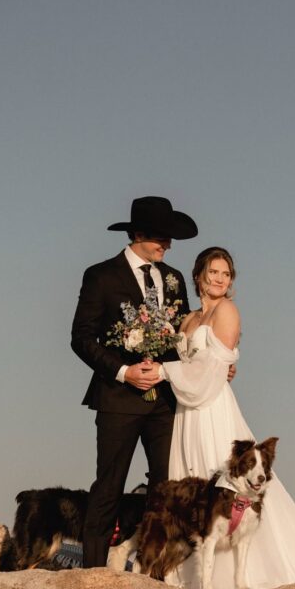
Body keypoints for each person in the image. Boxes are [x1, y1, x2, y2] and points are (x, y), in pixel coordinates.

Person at [159, 246, 295, 589]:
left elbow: (212, 369)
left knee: (227, 487)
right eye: (214, 271)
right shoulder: (187, 320)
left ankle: (237, 577)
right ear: (199, 274)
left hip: (211, 405)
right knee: (192, 487)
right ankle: (193, 575)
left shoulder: (227, 311)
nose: (219, 279)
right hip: (187, 411)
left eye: (226, 274)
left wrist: (167, 371)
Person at [70, 196, 197, 569]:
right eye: (161, 237)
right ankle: (92, 572)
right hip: (117, 397)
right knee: (108, 485)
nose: (168, 244)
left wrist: (210, 365)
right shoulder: (101, 275)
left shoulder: (172, 279)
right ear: (138, 234)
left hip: (165, 402)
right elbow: (81, 337)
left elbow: (182, 336)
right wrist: (124, 372)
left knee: (166, 489)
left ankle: (157, 571)